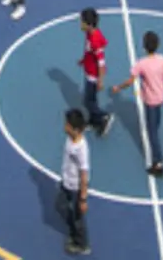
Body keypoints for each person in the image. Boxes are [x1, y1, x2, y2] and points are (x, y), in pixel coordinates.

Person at [111, 28, 163, 177]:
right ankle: (157, 156)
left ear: (144, 46)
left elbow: (130, 81)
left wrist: (118, 87)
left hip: (150, 101)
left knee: (152, 132)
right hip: (161, 98)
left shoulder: (141, 64)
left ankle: (159, 162)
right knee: (156, 124)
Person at [57, 109, 92, 255]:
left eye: (67, 125)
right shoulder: (71, 138)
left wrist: (83, 198)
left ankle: (82, 244)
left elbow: (84, 174)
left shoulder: (81, 149)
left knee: (78, 217)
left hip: (75, 187)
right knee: (61, 205)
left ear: (75, 129)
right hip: (67, 181)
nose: (65, 126)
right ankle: (74, 231)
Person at [78, 8, 111, 136]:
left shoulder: (94, 40)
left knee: (87, 101)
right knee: (91, 99)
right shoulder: (90, 34)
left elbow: (101, 63)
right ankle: (93, 121)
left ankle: (104, 117)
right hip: (89, 71)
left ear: (89, 24)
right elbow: (89, 52)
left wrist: (100, 80)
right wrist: (83, 60)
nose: (80, 24)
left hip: (93, 76)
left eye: (82, 22)